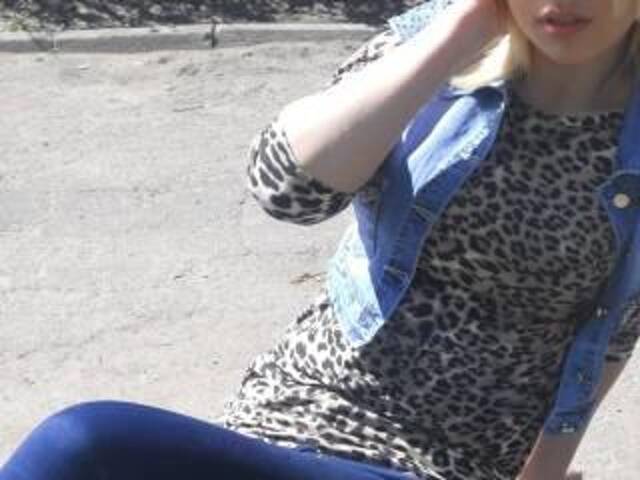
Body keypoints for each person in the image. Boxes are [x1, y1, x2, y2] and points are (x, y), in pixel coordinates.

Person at [2, 1, 640, 479]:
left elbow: (615, 330)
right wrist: (460, 33)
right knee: (80, 446)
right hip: (295, 409)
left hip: (447, 461)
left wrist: (543, 474)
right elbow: (285, 190)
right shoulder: (433, 49)